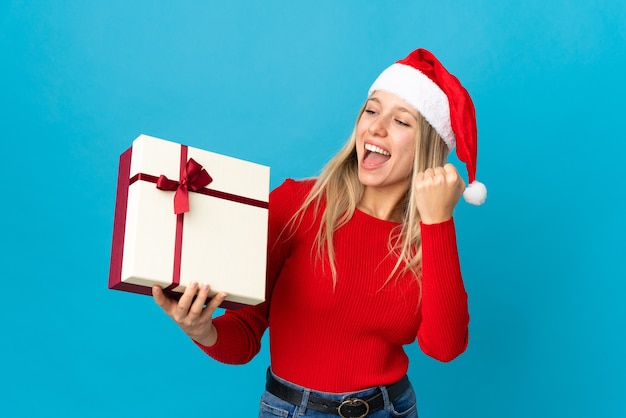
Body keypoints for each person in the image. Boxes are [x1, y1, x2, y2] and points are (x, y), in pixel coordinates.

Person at [152, 48, 486, 418]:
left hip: (391, 409)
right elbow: (244, 335)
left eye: (401, 121)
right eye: (372, 110)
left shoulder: (429, 237)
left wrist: (438, 221)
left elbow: (445, 347)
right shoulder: (297, 204)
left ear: (429, 146)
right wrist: (201, 329)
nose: (375, 127)